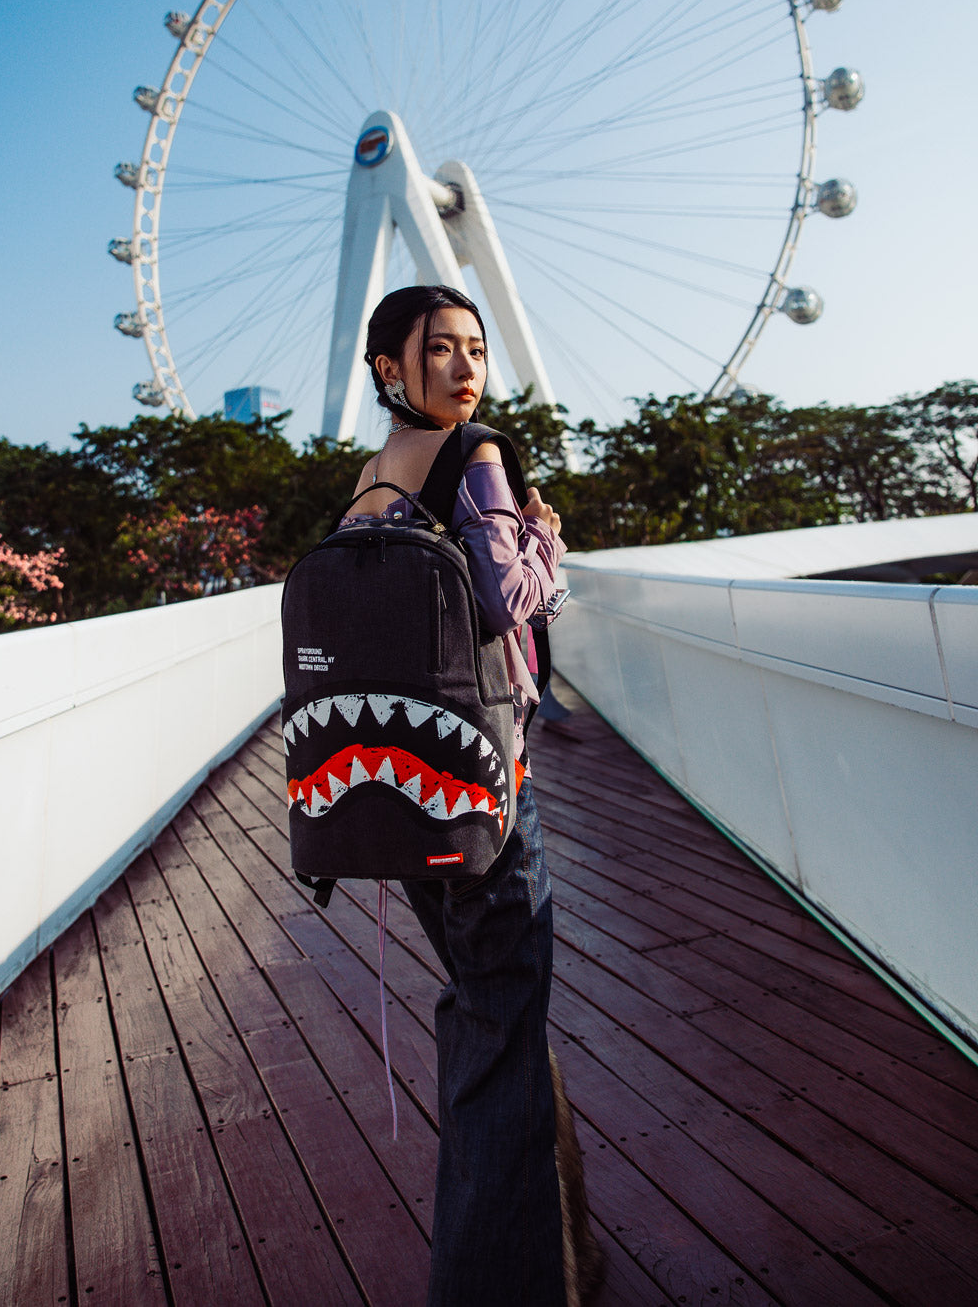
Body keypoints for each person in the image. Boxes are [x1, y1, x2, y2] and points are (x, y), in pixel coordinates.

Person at [343, 285, 579, 1306]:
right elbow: (505, 599)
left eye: (475, 348)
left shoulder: (369, 479)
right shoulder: (471, 454)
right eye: (437, 349)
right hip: (484, 787)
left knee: (491, 1013)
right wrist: (543, 539)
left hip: (399, 792)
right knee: (499, 1027)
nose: (465, 366)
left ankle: (563, 1260)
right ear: (390, 368)